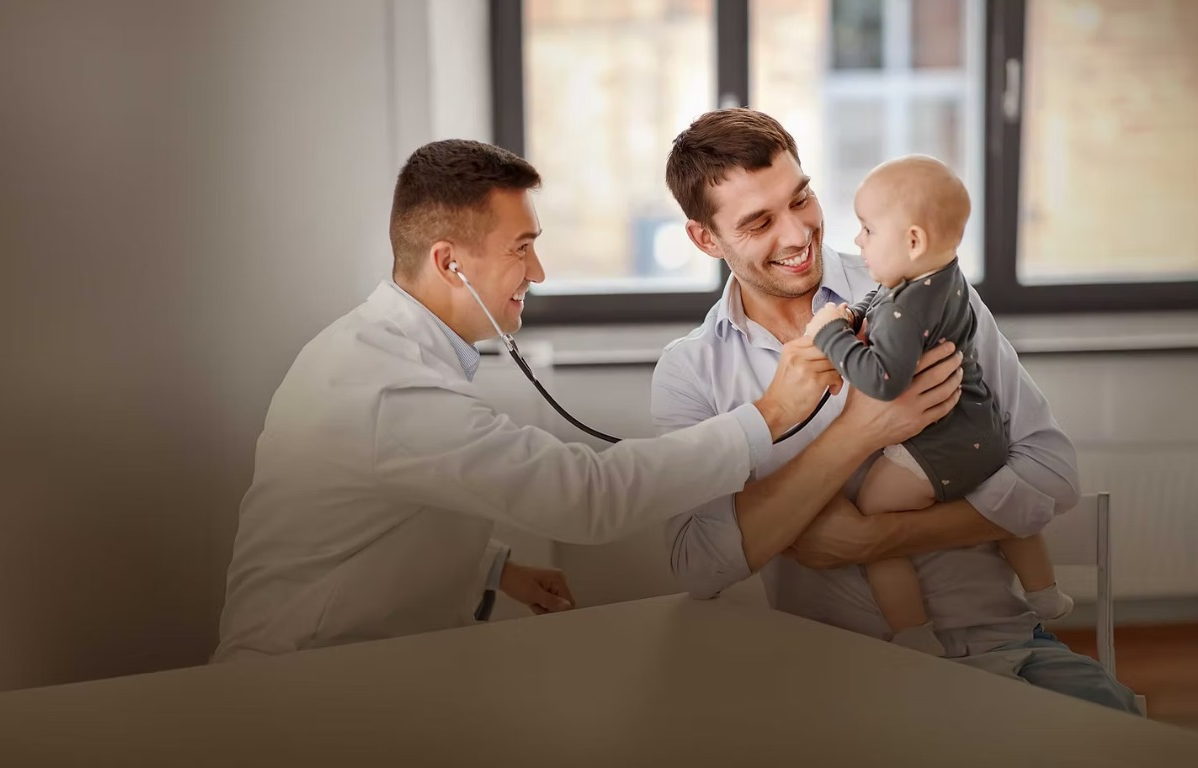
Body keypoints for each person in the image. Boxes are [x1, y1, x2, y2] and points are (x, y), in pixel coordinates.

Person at [210, 139, 958, 662]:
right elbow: (588, 497)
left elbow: (377, 508)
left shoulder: (393, 356)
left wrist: (496, 567)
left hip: (368, 670)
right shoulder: (383, 389)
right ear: (449, 262)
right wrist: (767, 417)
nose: (538, 269)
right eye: (521, 246)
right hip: (299, 682)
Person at [653, 108, 1139, 712]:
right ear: (705, 238)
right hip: (834, 681)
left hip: (1003, 654)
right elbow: (699, 567)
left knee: (1130, 737)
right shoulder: (691, 373)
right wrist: (860, 432)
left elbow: (1052, 472)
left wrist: (873, 538)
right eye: (758, 222)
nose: (798, 234)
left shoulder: (922, 285)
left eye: (800, 199)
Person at [800, 154, 1072, 657]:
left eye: (866, 229)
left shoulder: (906, 309)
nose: (857, 241)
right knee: (1004, 502)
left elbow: (882, 379)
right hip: (984, 432)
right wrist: (856, 312)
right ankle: (1046, 594)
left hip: (936, 448)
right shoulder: (940, 280)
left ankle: (911, 629)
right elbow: (880, 301)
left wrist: (832, 335)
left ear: (912, 241)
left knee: (874, 518)